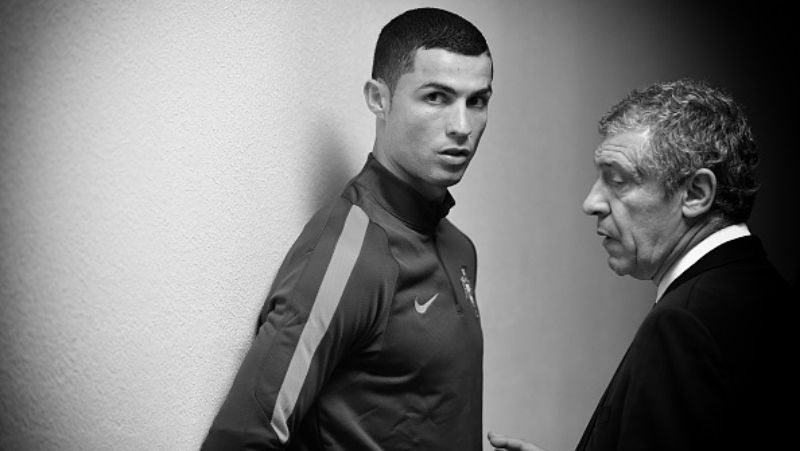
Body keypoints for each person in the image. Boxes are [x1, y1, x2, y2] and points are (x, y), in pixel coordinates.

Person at [201, 7, 493, 450]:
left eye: (477, 101)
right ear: (379, 98)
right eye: (436, 97)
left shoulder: (459, 248)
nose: (462, 127)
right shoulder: (349, 252)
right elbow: (239, 440)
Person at [489, 79, 792, 451]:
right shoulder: (761, 290)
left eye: (618, 180)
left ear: (696, 194)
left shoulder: (684, 323)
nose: (591, 202)